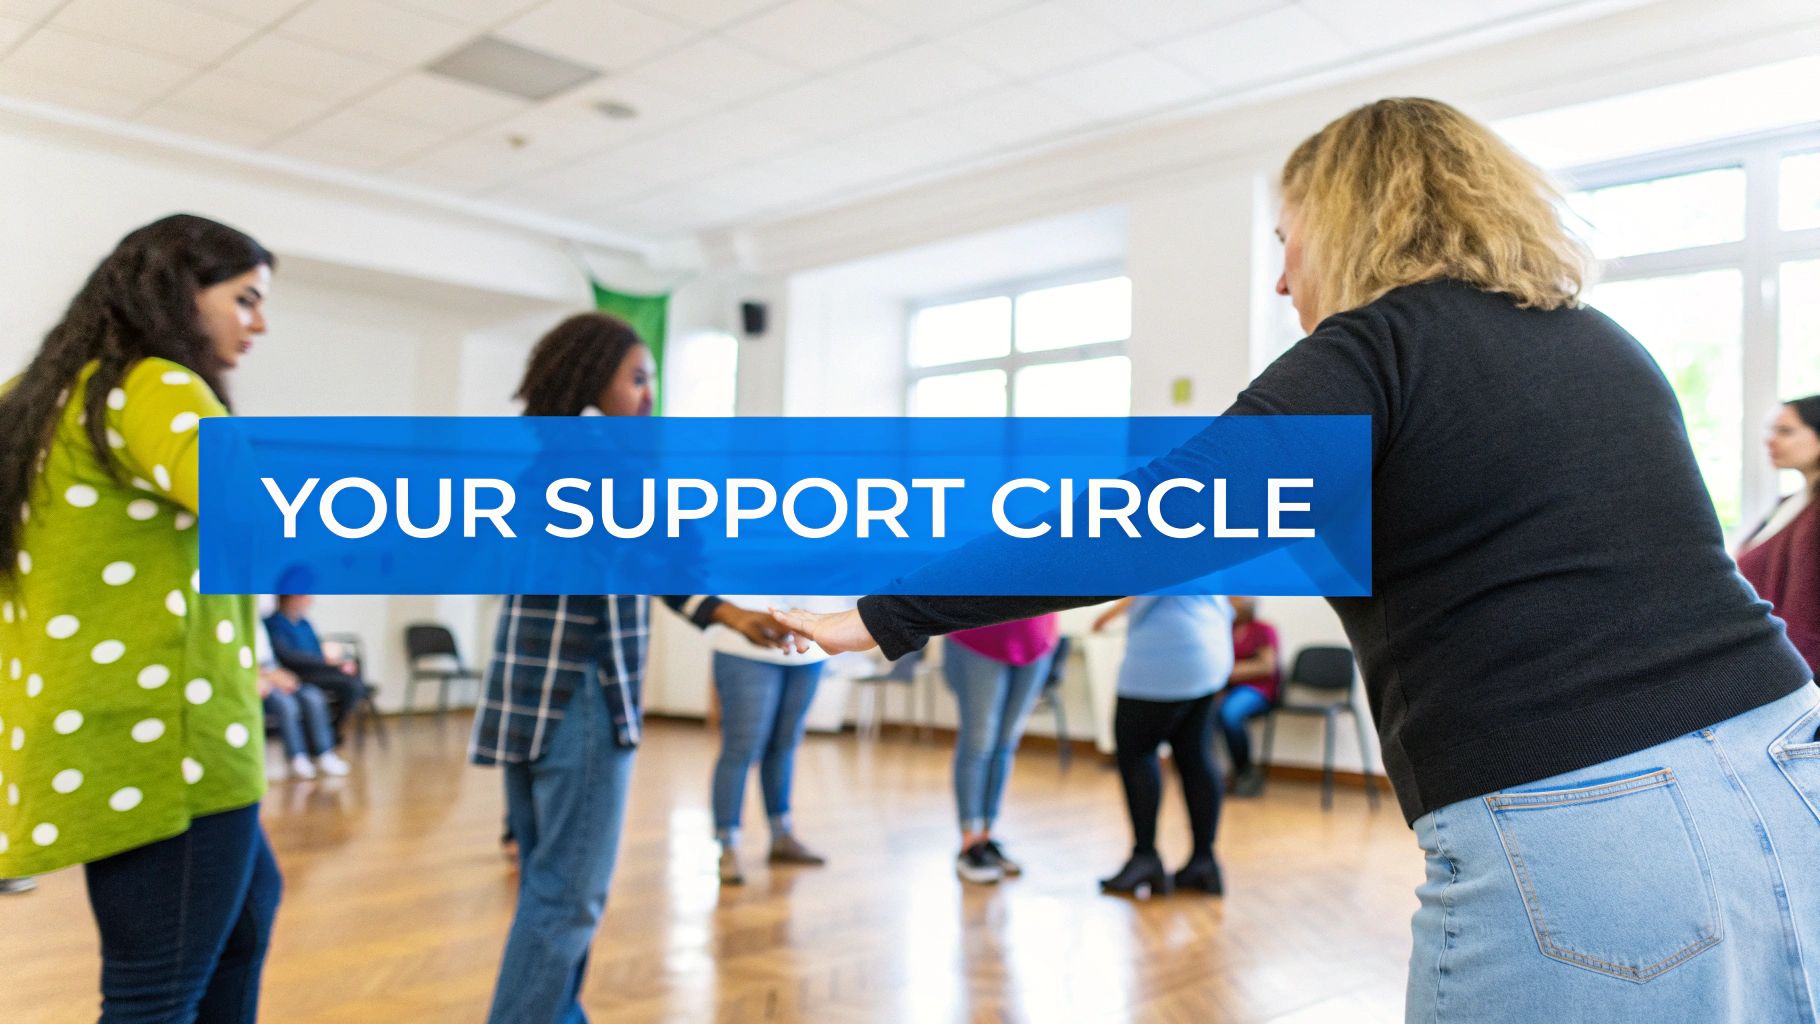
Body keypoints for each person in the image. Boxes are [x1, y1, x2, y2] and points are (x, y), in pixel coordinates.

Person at [776, 98, 1820, 1022]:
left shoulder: (1379, 344)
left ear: (1351, 217)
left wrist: (883, 611)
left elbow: (1146, 517)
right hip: (1785, 758)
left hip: (1584, 810)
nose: (1280, 278)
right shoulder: (1604, 343)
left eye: (1288, 240)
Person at [469, 312, 792, 1024]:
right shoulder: (598, 460)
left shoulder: (548, 459)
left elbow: (648, 560)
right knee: (568, 894)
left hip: (527, 692)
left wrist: (729, 613)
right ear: (594, 380)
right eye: (638, 378)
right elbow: (669, 549)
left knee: (549, 886)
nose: (649, 397)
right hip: (579, 692)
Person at [0, 214, 281, 1021]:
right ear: (179, 291)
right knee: (153, 995)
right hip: (173, 744)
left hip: (99, 728)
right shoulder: (153, 386)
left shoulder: (35, 400)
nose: (259, 323)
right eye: (247, 299)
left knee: (242, 923)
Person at [1091, 595, 1233, 897]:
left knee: (1138, 754)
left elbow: (1152, 581)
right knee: (1195, 755)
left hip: (1164, 659)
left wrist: (1110, 613)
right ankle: (1204, 862)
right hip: (1209, 649)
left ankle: (1145, 858)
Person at [709, 595, 848, 886]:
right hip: (744, 642)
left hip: (812, 645)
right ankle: (727, 845)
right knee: (741, 747)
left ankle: (782, 836)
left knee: (786, 743)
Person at [942, 615, 1059, 885]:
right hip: (979, 635)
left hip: (1036, 638)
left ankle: (986, 836)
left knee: (1005, 743)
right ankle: (970, 844)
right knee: (978, 741)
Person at [1737, 396, 1820, 674]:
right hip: (1770, 665)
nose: (1770, 441)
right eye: (1771, 431)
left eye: (1785, 431)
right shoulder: (1788, 503)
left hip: (1801, 676)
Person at [256, 611, 348, 780]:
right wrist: (270, 677)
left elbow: (273, 660)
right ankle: (297, 756)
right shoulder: (271, 624)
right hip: (259, 680)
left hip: (276, 672)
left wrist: (282, 675)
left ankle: (324, 752)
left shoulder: (260, 626)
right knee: (286, 703)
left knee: (312, 695)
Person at [264, 593, 370, 740]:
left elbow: (317, 651)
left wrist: (336, 661)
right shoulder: (274, 624)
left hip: (317, 668)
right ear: (293, 597)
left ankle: (329, 730)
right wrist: (328, 663)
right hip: (297, 673)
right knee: (351, 684)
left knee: (352, 675)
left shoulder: (304, 624)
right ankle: (329, 732)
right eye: (306, 595)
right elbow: (287, 656)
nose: (310, 600)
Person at [1219, 596, 1279, 797]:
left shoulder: (1263, 629)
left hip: (1258, 690)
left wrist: (1229, 672)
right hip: (1226, 689)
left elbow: (1267, 666)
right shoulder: (1223, 629)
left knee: (1230, 713)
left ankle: (1245, 771)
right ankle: (1213, 773)